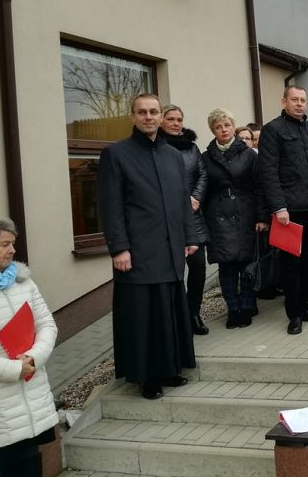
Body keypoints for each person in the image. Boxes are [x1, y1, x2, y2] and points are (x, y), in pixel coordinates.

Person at [98, 93, 197, 400]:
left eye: (154, 112)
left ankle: (169, 369)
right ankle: (146, 377)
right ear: (133, 117)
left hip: (170, 248)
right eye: (142, 112)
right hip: (137, 251)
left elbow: (183, 201)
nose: (149, 117)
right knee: (143, 315)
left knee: (168, 310)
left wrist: (190, 237)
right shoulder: (116, 154)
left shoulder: (171, 155)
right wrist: (119, 248)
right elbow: (110, 206)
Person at [258, 86, 308, 335]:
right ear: (284, 101)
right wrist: (279, 207)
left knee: (307, 261)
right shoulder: (273, 130)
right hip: (288, 211)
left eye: (303, 100)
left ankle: (305, 305)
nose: (299, 104)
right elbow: (268, 173)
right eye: (295, 99)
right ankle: (294, 314)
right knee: (291, 263)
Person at [0, 218, 58, 477]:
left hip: (32, 396)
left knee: (30, 463)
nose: (12, 250)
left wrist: (33, 357)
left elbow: (47, 325)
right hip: (2, 407)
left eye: (13, 244)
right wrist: (14, 369)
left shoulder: (24, 282)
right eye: (4, 244)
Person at [202, 108, 263, 330]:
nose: (223, 130)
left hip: (245, 213)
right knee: (227, 267)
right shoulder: (206, 157)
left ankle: (247, 307)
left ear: (233, 126)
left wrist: (261, 216)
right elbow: (204, 188)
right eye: (218, 127)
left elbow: (259, 187)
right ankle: (233, 309)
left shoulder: (247, 154)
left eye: (226, 125)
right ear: (213, 130)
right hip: (218, 215)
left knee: (246, 264)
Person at [161, 104, 210, 335]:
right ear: (161, 121)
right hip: (168, 219)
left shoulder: (192, 147)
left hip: (194, 218)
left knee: (199, 268)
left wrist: (196, 197)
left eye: (179, 119)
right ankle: (176, 316)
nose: (175, 123)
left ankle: (193, 313)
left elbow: (202, 174)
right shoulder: (156, 147)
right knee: (174, 272)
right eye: (170, 118)